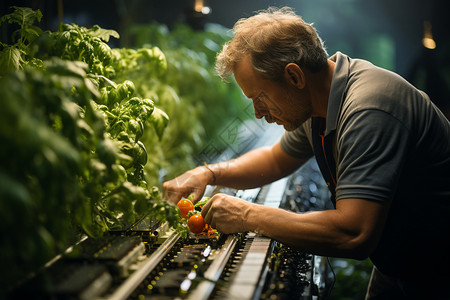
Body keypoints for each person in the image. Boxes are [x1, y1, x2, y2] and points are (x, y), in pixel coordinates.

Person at [163, 7, 450, 299]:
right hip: (401, 266)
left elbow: (353, 234)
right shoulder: (319, 104)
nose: (258, 113)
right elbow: (275, 159)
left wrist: (247, 214)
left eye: (260, 97)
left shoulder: (369, 108)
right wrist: (209, 172)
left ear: (294, 77)